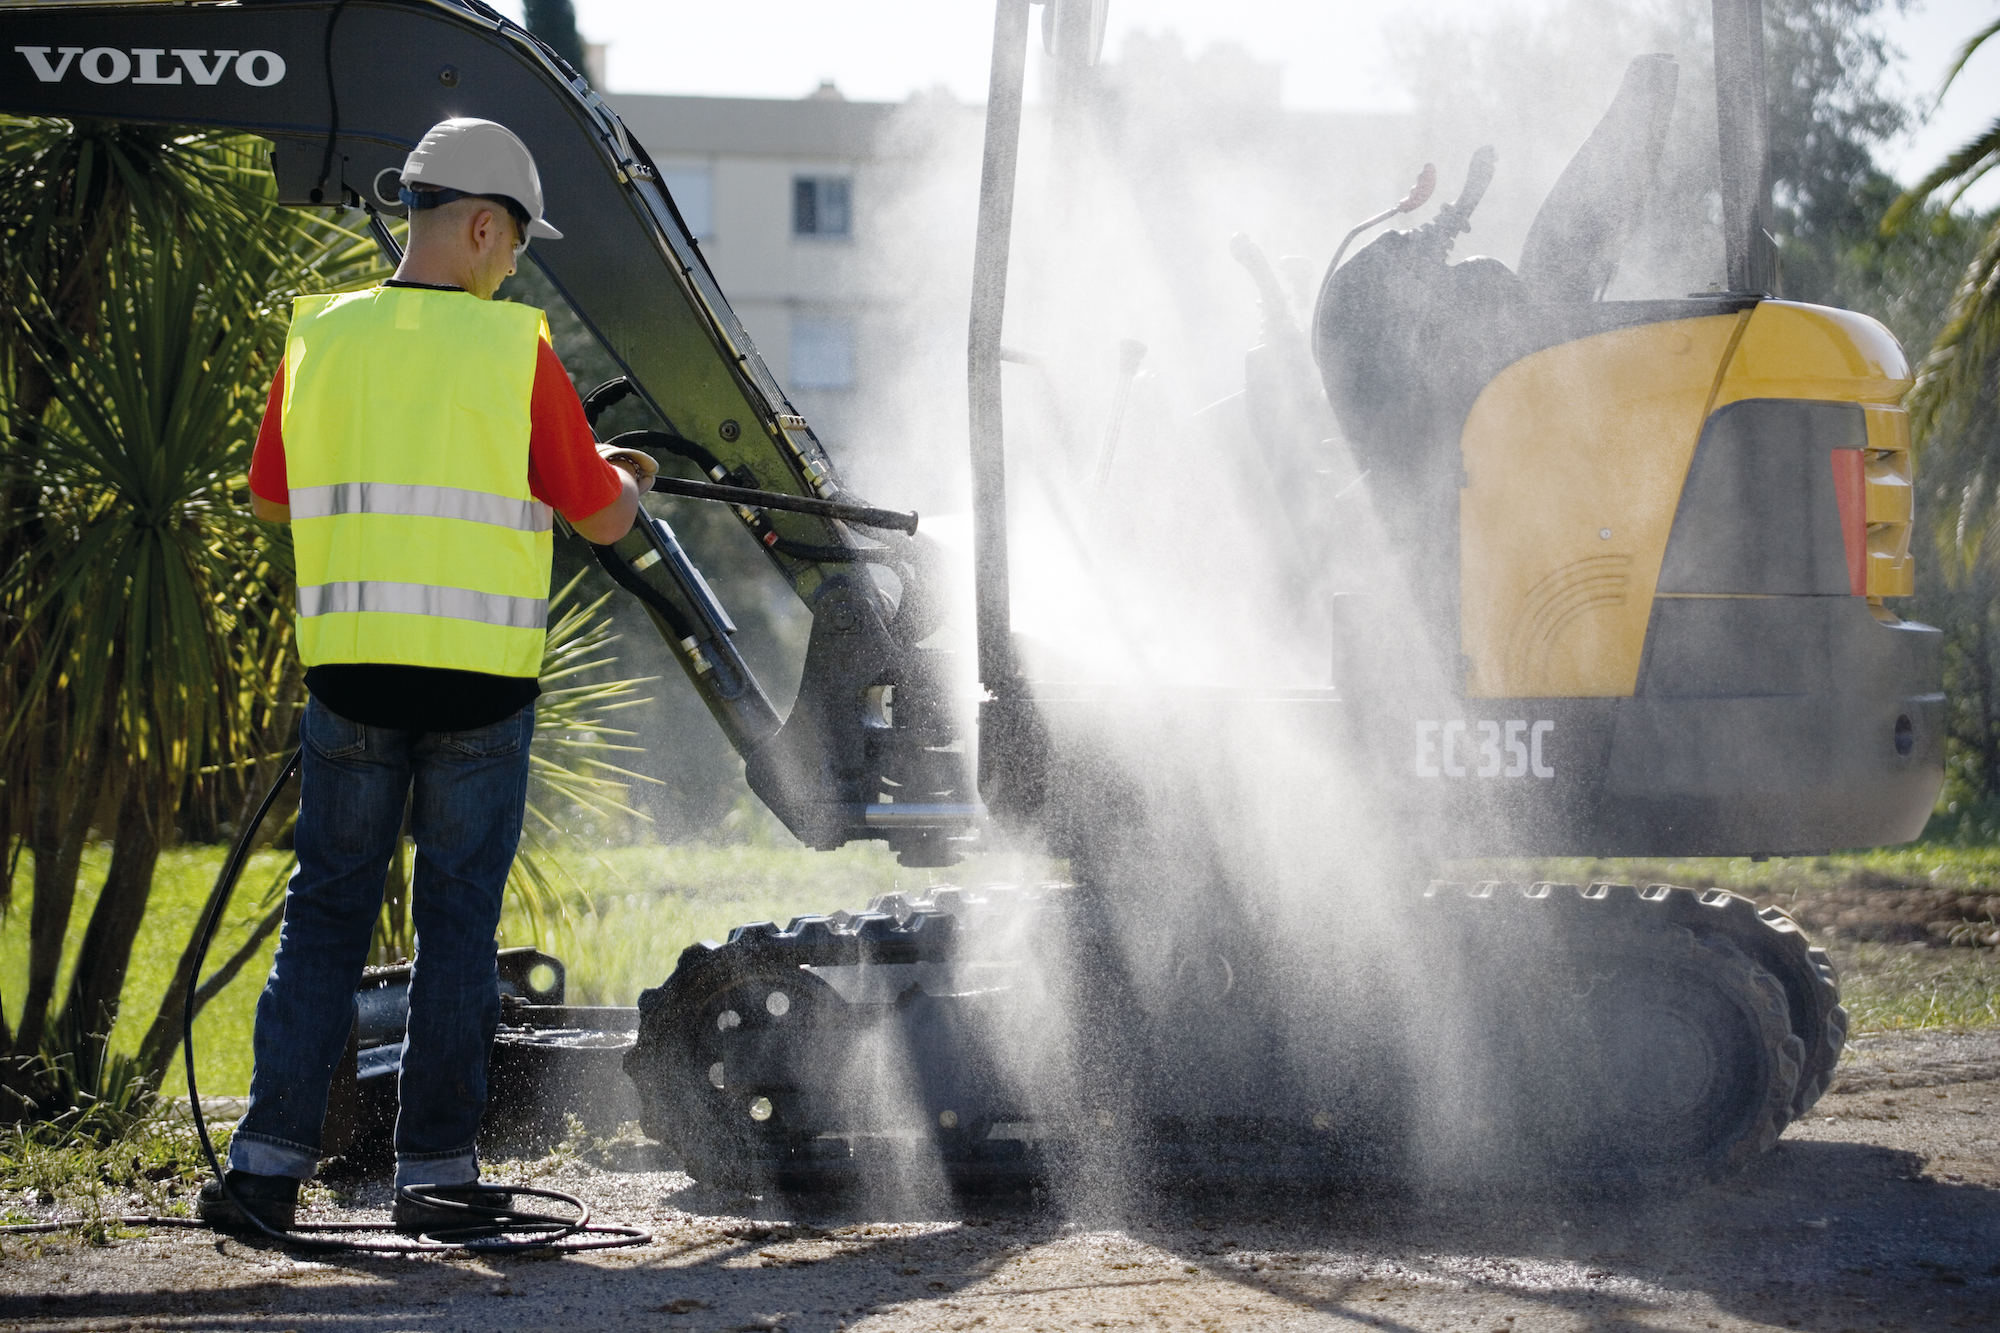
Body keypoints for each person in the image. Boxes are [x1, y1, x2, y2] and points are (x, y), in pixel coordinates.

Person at [199, 118, 656, 1234]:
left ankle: (263, 1173)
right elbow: (596, 512)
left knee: (324, 916)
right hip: (476, 693)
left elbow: (271, 495)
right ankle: (438, 1179)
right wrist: (625, 474)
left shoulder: (323, 338)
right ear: (484, 227)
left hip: (352, 680)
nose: (513, 268)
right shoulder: (515, 353)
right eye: (514, 248)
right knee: (457, 928)